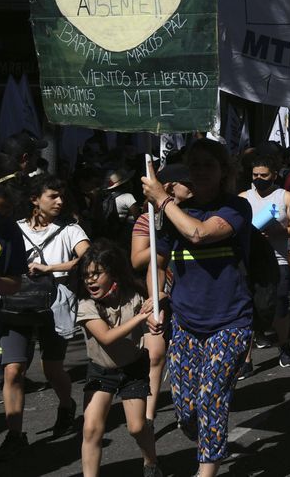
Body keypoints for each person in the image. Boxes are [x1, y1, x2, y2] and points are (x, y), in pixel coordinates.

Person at [141, 139, 253, 477]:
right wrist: (156, 296)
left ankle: (207, 470)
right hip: (186, 324)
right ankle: (209, 436)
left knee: (210, 396)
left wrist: (162, 200)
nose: (201, 172)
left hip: (231, 322)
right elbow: (156, 263)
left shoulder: (236, 207)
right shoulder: (173, 214)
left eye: (209, 165)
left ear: (224, 172)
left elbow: (199, 234)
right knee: (187, 410)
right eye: (195, 166)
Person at [4, 174, 90, 444]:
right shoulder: (13, 228)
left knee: (52, 369)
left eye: (61, 196)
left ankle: (66, 405)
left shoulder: (70, 229)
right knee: (13, 370)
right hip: (15, 306)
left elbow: (87, 258)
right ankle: (15, 434)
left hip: (55, 305)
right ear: (34, 200)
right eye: (53, 196)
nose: (60, 201)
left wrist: (49, 268)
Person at [75, 241, 162, 477]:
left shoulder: (133, 294)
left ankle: (150, 462)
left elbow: (158, 300)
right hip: (101, 370)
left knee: (136, 427)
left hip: (133, 368)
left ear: (112, 272)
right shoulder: (86, 305)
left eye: (96, 274)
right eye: (86, 276)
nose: (90, 280)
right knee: (91, 429)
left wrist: (155, 311)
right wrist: (140, 317)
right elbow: (106, 337)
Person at [129, 162, 192, 427]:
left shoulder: (192, 216)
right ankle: (148, 418)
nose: (194, 185)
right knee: (155, 353)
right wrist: (164, 241)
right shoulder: (148, 219)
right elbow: (137, 260)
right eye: (187, 182)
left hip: (188, 294)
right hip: (154, 295)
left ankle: (187, 407)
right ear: (169, 187)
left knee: (186, 356)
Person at [240, 154, 290, 368]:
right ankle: (246, 358)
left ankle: (284, 345)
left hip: (278, 261)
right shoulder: (243, 198)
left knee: (280, 307)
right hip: (250, 263)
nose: (258, 178)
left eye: (263, 175)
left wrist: (280, 231)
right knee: (247, 310)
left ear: (274, 175)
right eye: (255, 174)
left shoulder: (285, 197)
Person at [0, 205, 28, 460]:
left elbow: (15, 283)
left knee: (13, 370)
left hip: (7, 314)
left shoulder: (7, 229)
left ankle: (15, 435)